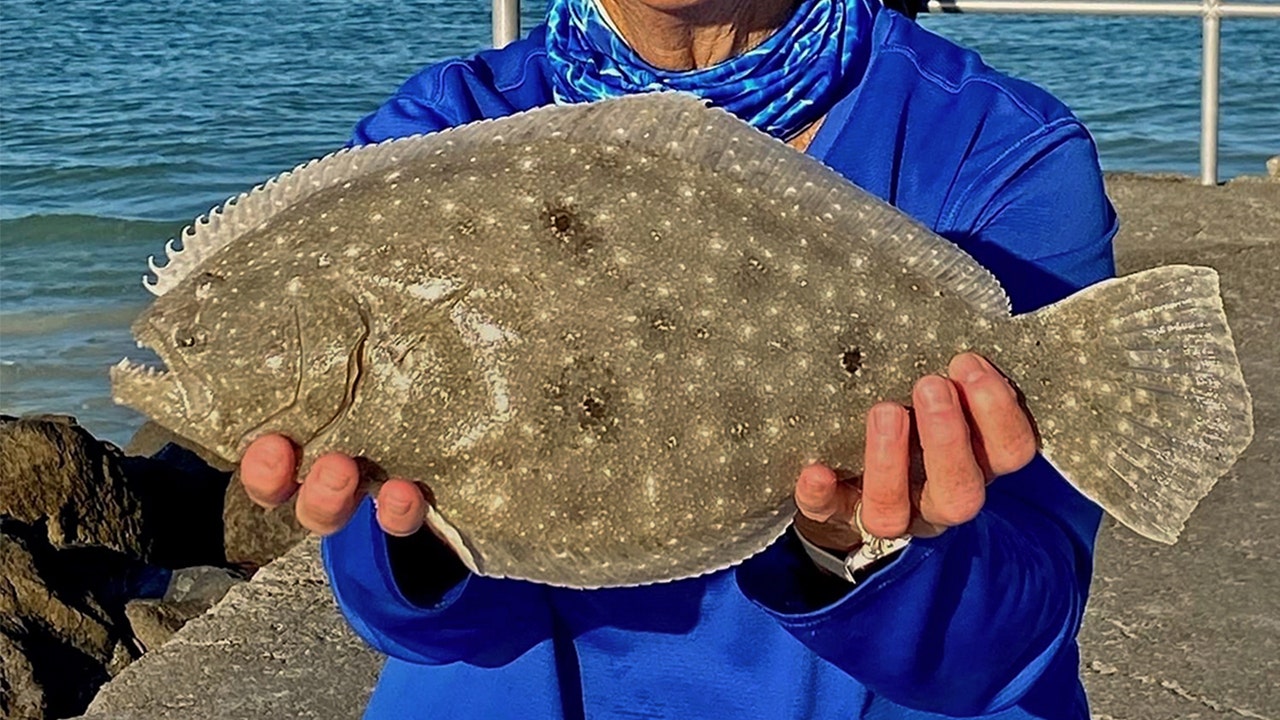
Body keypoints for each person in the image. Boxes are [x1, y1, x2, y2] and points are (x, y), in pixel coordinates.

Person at [239, 0, 1117, 715]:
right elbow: (405, 620)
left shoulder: (1000, 153)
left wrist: (861, 554)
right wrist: (408, 541)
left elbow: (1017, 638)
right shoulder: (432, 136)